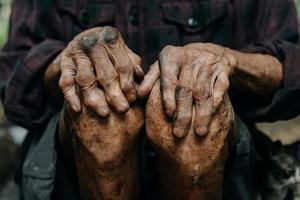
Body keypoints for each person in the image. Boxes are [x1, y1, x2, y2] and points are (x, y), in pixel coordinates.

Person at [1, 0, 300, 199]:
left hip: (222, 161)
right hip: (74, 162)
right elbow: (11, 76)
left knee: (192, 112)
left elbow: (292, 67)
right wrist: (67, 62)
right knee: (104, 112)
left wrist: (227, 60)